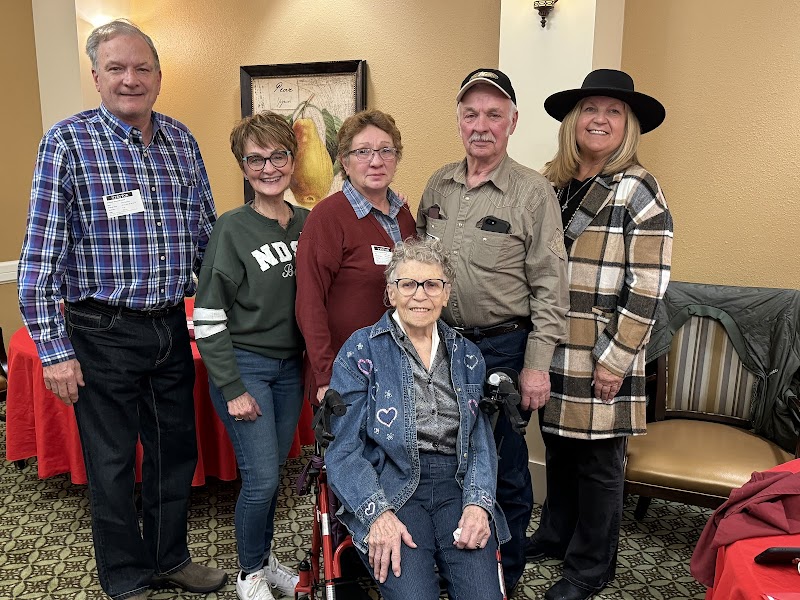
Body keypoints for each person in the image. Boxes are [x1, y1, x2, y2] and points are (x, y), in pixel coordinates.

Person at [17, 20, 224, 600]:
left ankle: (169, 557)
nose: (130, 79)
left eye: (142, 68)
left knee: (174, 452)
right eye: (116, 68)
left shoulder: (181, 140)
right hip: (101, 330)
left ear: (158, 75)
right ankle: (126, 576)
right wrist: (54, 351)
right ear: (96, 76)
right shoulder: (67, 143)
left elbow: (207, 237)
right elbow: (39, 257)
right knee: (110, 462)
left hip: (170, 325)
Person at [416, 68, 569, 592]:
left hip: (504, 348)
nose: (481, 125)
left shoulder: (533, 193)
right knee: (444, 460)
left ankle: (507, 574)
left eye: (494, 115)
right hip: (440, 348)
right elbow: (418, 264)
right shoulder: (438, 184)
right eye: (471, 114)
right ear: (459, 120)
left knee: (502, 466)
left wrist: (536, 366)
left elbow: (551, 286)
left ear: (513, 122)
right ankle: (459, 565)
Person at [526, 69, 673, 600]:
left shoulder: (639, 188)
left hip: (602, 350)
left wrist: (616, 359)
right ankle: (556, 533)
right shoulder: (552, 184)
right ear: (573, 120)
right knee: (560, 449)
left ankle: (591, 566)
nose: (600, 119)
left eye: (614, 111)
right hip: (552, 345)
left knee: (599, 463)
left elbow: (649, 285)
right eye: (590, 109)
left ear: (628, 125)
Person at [325, 238, 510, 600]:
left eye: (432, 285)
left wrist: (478, 504)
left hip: (457, 483)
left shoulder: (468, 355)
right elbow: (343, 450)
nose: (420, 295)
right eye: (408, 284)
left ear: (446, 293)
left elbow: (479, 442)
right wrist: (378, 515)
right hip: (390, 481)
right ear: (391, 292)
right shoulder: (361, 350)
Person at [194, 112, 308, 600]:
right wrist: (233, 387)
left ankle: (265, 561)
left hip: (291, 371)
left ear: (293, 160)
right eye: (255, 159)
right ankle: (248, 573)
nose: (268, 167)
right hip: (247, 368)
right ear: (243, 166)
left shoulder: (308, 223)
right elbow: (207, 317)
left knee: (273, 475)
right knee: (260, 480)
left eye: (277, 155)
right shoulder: (232, 228)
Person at [295, 110, 417, 406]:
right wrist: (325, 377)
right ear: (344, 162)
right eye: (362, 152)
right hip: (345, 376)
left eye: (386, 150)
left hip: (398, 372)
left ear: (396, 158)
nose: (376, 161)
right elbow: (309, 303)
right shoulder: (326, 218)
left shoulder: (404, 217)